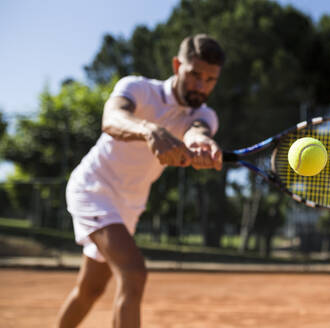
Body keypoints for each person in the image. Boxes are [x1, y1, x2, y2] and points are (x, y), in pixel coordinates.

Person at [56, 34, 226, 328]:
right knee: (133, 274)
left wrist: (199, 142)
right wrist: (149, 130)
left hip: (129, 205)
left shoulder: (205, 115)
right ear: (176, 65)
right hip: (94, 187)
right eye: (195, 75)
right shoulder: (137, 88)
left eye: (210, 80)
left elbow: (197, 130)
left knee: (90, 289)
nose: (201, 86)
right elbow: (111, 118)